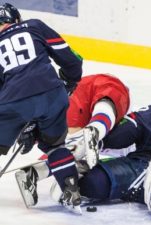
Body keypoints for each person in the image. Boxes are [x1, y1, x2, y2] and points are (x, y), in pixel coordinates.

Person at [0, 3, 83, 209]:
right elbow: (72, 60)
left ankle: (29, 127)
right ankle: (70, 188)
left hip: (13, 103)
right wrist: (69, 81)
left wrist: (19, 121)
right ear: (16, 19)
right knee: (55, 145)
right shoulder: (34, 26)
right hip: (53, 95)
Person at [15, 73, 130, 209]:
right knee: (107, 103)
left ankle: (34, 173)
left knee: (74, 146)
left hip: (76, 96)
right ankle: (96, 129)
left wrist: (33, 134)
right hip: (86, 92)